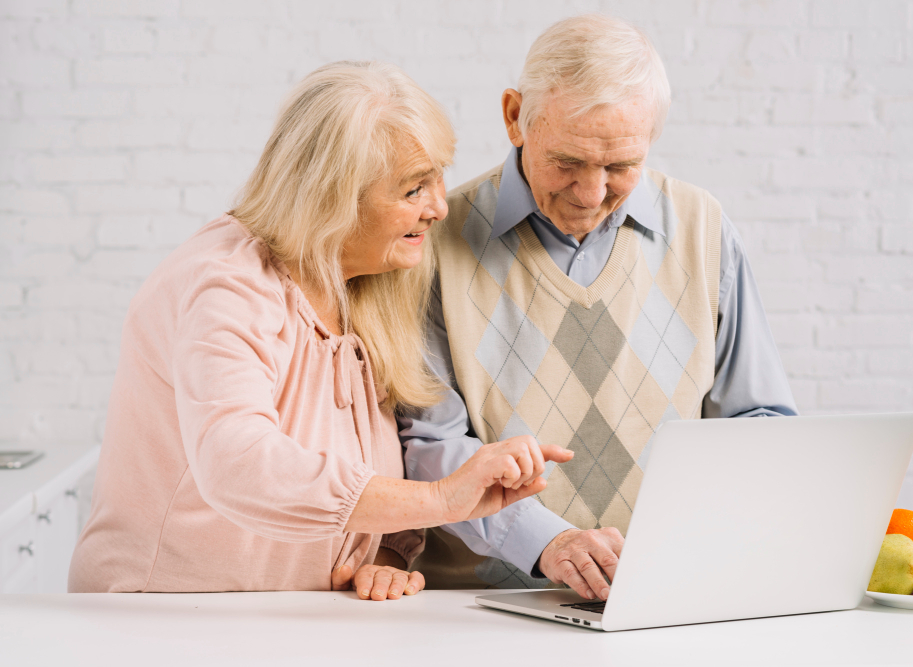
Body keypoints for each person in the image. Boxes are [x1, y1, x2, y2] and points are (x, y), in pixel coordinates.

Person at [68, 61, 572, 597]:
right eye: (412, 190)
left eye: (437, 177)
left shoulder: (364, 285)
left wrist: (383, 550)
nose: (439, 207)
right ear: (331, 196)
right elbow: (239, 464)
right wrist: (442, 499)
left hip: (289, 623)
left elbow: (369, 464)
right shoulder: (224, 286)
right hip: (158, 620)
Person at [399, 15, 798, 599]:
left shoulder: (703, 229)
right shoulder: (432, 240)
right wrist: (549, 543)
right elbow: (429, 446)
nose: (591, 194)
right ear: (515, 117)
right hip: (475, 604)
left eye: (619, 167)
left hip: (663, 595)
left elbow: (759, 424)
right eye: (567, 162)